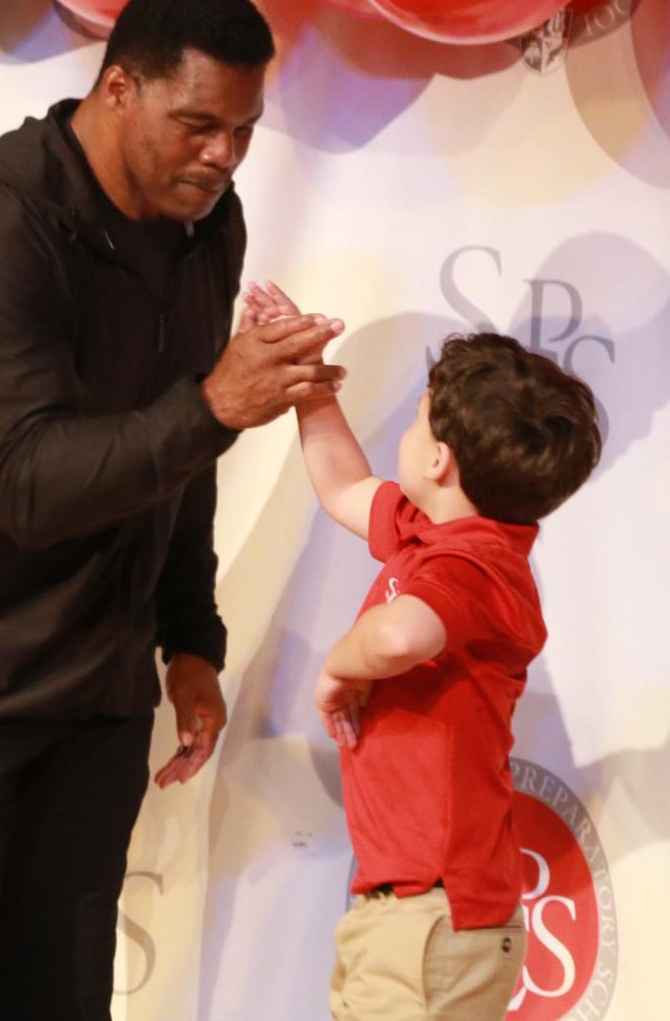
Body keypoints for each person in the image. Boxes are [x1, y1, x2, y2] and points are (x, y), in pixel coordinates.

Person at [0, 0, 346, 1021]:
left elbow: (179, 455)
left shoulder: (210, 224)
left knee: (58, 999)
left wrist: (190, 636)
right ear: (118, 89)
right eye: (197, 123)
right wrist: (214, 402)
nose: (223, 156)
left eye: (242, 130)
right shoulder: (0, 221)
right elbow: (27, 480)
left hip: (88, 681)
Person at [242, 283, 602, 1021]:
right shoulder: (430, 538)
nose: (400, 438)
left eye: (412, 421)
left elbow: (404, 634)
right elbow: (343, 484)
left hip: (435, 916)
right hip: (407, 911)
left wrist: (338, 667)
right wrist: (309, 387)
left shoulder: (479, 566)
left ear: (437, 459)